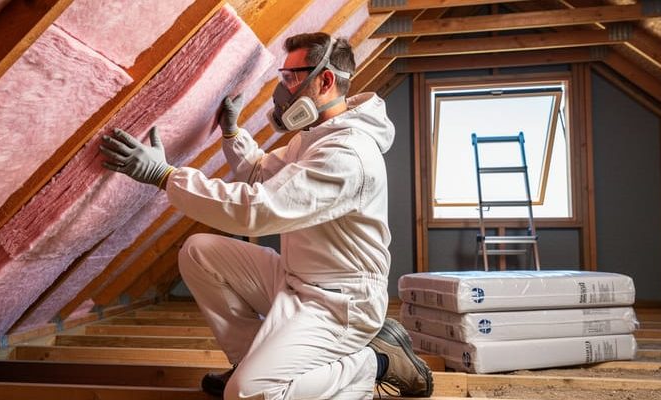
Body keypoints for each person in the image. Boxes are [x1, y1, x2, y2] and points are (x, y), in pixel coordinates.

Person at [100, 32, 432, 399]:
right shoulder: (314, 137)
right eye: (283, 77)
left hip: (340, 303)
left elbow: (257, 209)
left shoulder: (347, 154)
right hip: (296, 280)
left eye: (291, 79)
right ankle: (248, 361)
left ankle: (373, 362)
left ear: (324, 80)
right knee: (198, 251)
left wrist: (164, 176)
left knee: (247, 395)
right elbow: (260, 173)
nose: (283, 90)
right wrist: (231, 132)